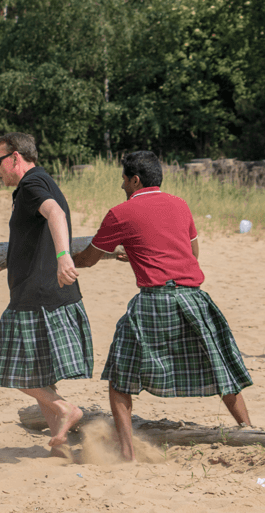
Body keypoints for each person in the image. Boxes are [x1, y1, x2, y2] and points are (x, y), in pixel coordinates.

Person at [72, 150, 253, 461]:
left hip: (154, 301)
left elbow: (87, 260)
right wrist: (139, 253)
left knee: (120, 378)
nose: (122, 186)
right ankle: (251, 434)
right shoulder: (180, 205)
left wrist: (61, 259)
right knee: (222, 369)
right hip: (193, 297)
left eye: (124, 180)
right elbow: (190, 253)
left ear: (136, 180)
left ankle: (127, 453)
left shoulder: (120, 213)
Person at [0, 133, 92, 456]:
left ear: (15, 158)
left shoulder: (31, 185)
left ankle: (66, 409)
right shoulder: (38, 182)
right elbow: (34, 237)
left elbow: (55, 214)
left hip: (36, 297)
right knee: (40, 374)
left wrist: (63, 257)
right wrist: (4, 265)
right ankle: (60, 448)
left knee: (11, 370)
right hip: (42, 291)